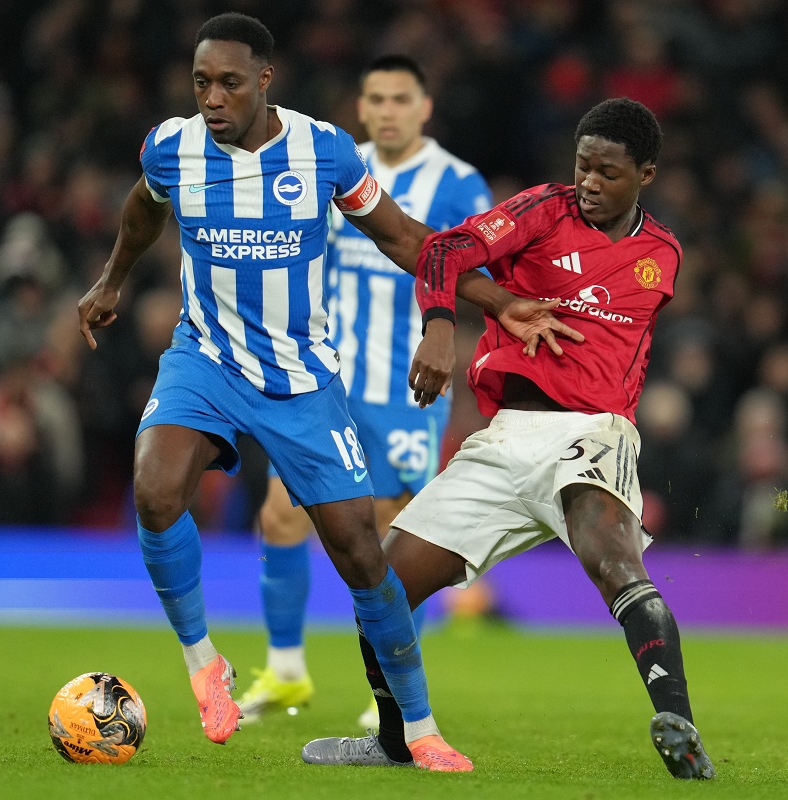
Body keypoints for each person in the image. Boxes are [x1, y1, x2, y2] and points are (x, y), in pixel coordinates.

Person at [77, 12, 575, 770]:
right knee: (154, 492)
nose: (212, 98)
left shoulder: (322, 151)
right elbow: (144, 207)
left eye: (230, 83)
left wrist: (491, 303)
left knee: (362, 555)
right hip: (203, 359)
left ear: (264, 82)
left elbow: (406, 237)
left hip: (300, 379)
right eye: (202, 83)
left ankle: (419, 725)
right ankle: (204, 662)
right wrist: (111, 280)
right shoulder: (170, 146)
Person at [301, 97, 716, 780]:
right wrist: (442, 327)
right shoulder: (542, 211)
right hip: (504, 440)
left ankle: (678, 726)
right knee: (380, 587)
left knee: (610, 559)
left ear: (647, 172)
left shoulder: (661, 256)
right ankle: (394, 738)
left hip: (593, 432)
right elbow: (443, 250)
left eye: (608, 172)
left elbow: (612, 343)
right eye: (582, 165)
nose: (588, 182)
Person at [236, 54, 494, 727]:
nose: (387, 111)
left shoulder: (459, 185)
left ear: (424, 106)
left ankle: (388, 688)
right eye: (375, 97)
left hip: (403, 388)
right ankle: (286, 671)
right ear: (360, 104)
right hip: (322, 377)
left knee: (384, 546)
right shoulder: (329, 164)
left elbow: (479, 273)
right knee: (281, 515)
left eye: (400, 98)